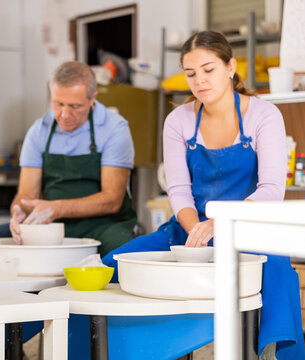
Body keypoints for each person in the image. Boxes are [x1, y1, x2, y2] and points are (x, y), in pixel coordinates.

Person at [103, 30, 304, 359]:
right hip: (190, 227)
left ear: (230, 67)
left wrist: (220, 224)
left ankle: (272, 352)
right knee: (112, 266)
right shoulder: (178, 121)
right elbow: (179, 190)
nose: (200, 81)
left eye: (208, 70)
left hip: (252, 230)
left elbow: (271, 189)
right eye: (191, 73)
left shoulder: (264, 115)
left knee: (278, 276)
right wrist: (198, 229)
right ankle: (120, 347)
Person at [0, 61, 137, 265]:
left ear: (93, 98)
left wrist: (57, 208)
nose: (64, 115)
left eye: (75, 106)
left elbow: (112, 200)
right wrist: (19, 210)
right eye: (58, 104)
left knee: (121, 255)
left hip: (104, 225)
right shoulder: (39, 130)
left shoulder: (114, 129)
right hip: (50, 225)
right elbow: (26, 196)